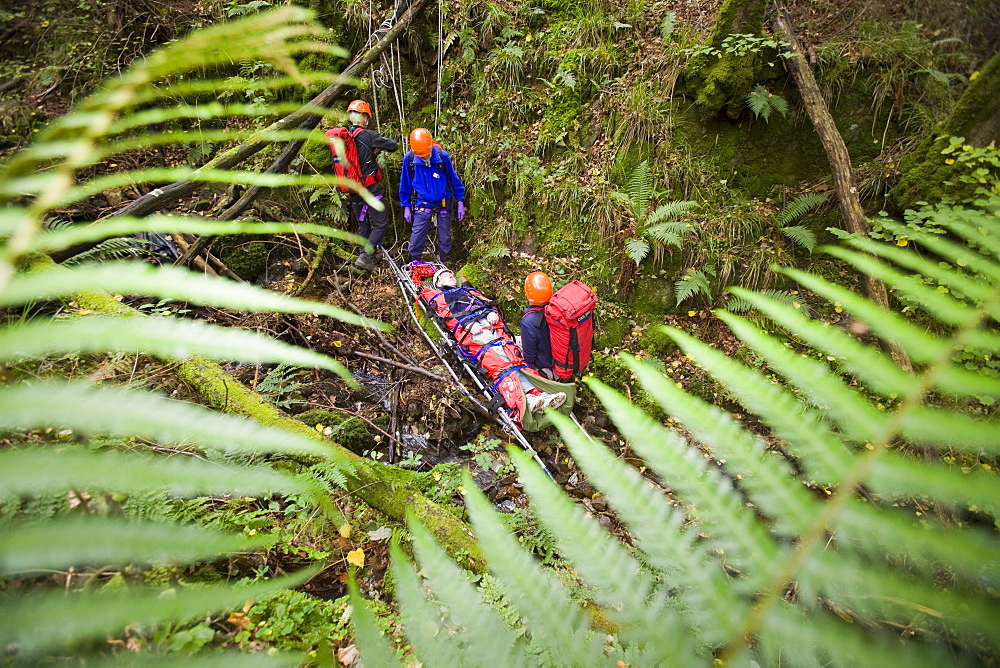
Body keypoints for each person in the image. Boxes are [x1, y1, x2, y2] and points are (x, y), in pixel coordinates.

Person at [421, 268, 566, 420]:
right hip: (474, 331)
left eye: (451, 274)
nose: (450, 276)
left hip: (491, 325)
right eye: (445, 276)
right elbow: (449, 317)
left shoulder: (468, 291)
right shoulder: (441, 297)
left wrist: (492, 312)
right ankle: (527, 399)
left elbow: (485, 303)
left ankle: (537, 393)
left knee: (513, 356)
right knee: (501, 362)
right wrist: (467, 325)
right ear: (437, 283)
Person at [344, 99, 398, 272]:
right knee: (381, 223)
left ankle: (367, 256)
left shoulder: (344, 136)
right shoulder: (368, 135)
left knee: (363, 222)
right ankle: (365, 255)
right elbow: (393, 146)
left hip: (353, 189)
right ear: (365, 117)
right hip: (369, 187)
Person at [398, 128, 467, 264]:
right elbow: (405, 182)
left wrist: (460, 201)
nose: (424, 158)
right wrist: (405, 205)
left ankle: (444, 261)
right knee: (417, 236)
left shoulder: (442, 157)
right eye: (421, 156)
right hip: (423, 202)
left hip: (443, 201)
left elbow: (454, 179)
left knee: (445, 236)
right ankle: (415, 262)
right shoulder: (410, 159)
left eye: (425, 155)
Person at [520, 271, 555, 379]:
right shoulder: (558, 308)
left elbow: (529, 357)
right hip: (565, 361)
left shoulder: (528, 322)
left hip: (547, 368)